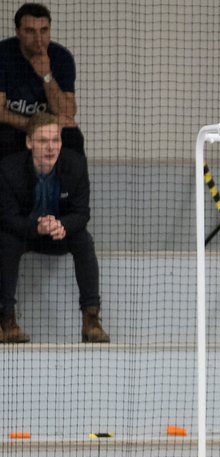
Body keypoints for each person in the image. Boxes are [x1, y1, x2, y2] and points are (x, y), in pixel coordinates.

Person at [0, 112, 108, 343]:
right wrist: (35, 227)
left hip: (60, 233)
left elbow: (82, 213)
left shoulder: (76, 165)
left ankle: (91, 320)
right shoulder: (8, 170)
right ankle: (6, 320)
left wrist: (63, 226)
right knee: (6, 240)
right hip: (26, 233)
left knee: (83, 240)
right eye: (43, 141)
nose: (51, 147)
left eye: (55, 140)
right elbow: (7, 217)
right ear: (29, 142)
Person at [0, 3, 83, 160]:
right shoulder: (3, 54)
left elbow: (67, 112)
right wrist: (34, 124)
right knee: (5, 139)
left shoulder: (61, 57)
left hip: (49, 127)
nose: (38, 39)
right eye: (30, 31)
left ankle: (73, 185)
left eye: (44, 30)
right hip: (12, 127)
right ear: (18, 32)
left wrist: (46, 75)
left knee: (73, 137)